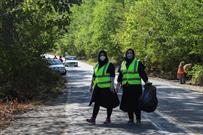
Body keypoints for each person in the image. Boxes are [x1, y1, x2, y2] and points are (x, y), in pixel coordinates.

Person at [116, 48, 150, 125]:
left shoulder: (137, 63)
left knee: (136, 103)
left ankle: (138, 119)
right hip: (126, 86)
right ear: (126, 54)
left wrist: (147, 82)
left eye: (131, 53)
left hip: (136, 87)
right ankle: (130, 119)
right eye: (128, 53)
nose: (129, 54)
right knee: (128, 104)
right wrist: (117, 85)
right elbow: (120, 75)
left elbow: (143, 74)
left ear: (133, 54)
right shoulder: (123, 63)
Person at [87, 50, 119, 125]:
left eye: (103, 55)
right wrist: (91, 86)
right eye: (101, 55)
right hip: (98, 87)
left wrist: (112, 86)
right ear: (99, 56)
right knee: (96, 103)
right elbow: (94, 76)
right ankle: (93, 118)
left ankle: (108, 118)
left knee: (109, 104)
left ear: (106, 56)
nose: (102, 56)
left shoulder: (109, 65)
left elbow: (112, 77)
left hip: (107, 87)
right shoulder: (96, 65)